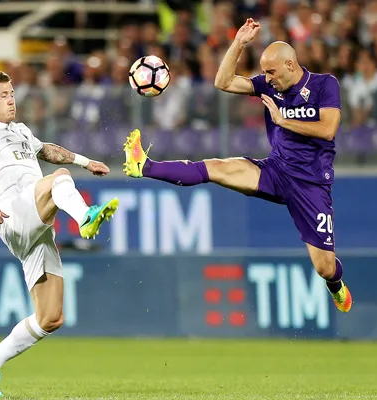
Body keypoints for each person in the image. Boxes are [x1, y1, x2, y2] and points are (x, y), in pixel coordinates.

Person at [123, 18, 352, 313]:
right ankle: (144, 166)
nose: (267, 78)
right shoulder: (267, 85)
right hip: (275, 170)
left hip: (312, 184)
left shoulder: (324, 84)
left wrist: (282, 120)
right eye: (264, 72)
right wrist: (238, 43)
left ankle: (336, 285)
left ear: (290, 65)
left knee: (324, 267)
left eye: (271, 72)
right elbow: (224, 82)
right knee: (215, 168)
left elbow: (328, 129)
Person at [0, 71, 119, 397]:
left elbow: (46, 150)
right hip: (12, 216)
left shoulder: (20, 131)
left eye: (12, 93)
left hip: (36, 231)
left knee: (51, 317)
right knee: (59, 178)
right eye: (3, 95)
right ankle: (85, 218)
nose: (11, 99)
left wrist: (86, 162)